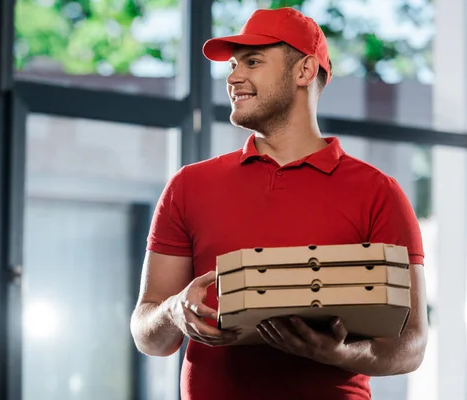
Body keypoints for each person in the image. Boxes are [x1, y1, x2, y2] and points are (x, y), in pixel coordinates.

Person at [130, 6, 428, 400]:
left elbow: (413, 344)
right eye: (233, 65)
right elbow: (150, 337)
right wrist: (172, 312)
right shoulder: (188, 186)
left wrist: (340, 353)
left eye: (252, 61)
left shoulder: (378, 193)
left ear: (304, 71)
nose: (234, 77)